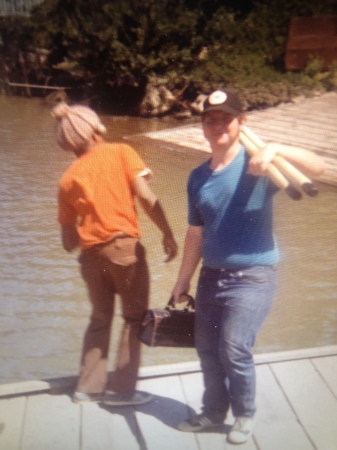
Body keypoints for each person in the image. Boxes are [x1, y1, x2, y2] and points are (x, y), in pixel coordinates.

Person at [172, 90, 325, 443]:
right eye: (211, 119)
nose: (218, 125)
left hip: (253, 277)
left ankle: (245, 414)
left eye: (226, 118)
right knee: (207, 349)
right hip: (211, 277)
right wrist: (182, 281)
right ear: (204, 128)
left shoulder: (261, 164)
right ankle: (212, 413)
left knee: (234, 347)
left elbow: (318, 167)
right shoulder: (197, 177)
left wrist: (277, 149)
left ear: (242, 123)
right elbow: (195, 234)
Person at [53, 102, 178, 406]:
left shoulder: (67, 180)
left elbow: (68, 241)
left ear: (68, 142)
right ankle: (121, 392)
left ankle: (87, 388)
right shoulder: (122, 152)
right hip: (123, 249)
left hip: (90, 257)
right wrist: (167, 232)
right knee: (135, 318)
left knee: (99, 318)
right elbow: (146, 197)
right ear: (96, 128)